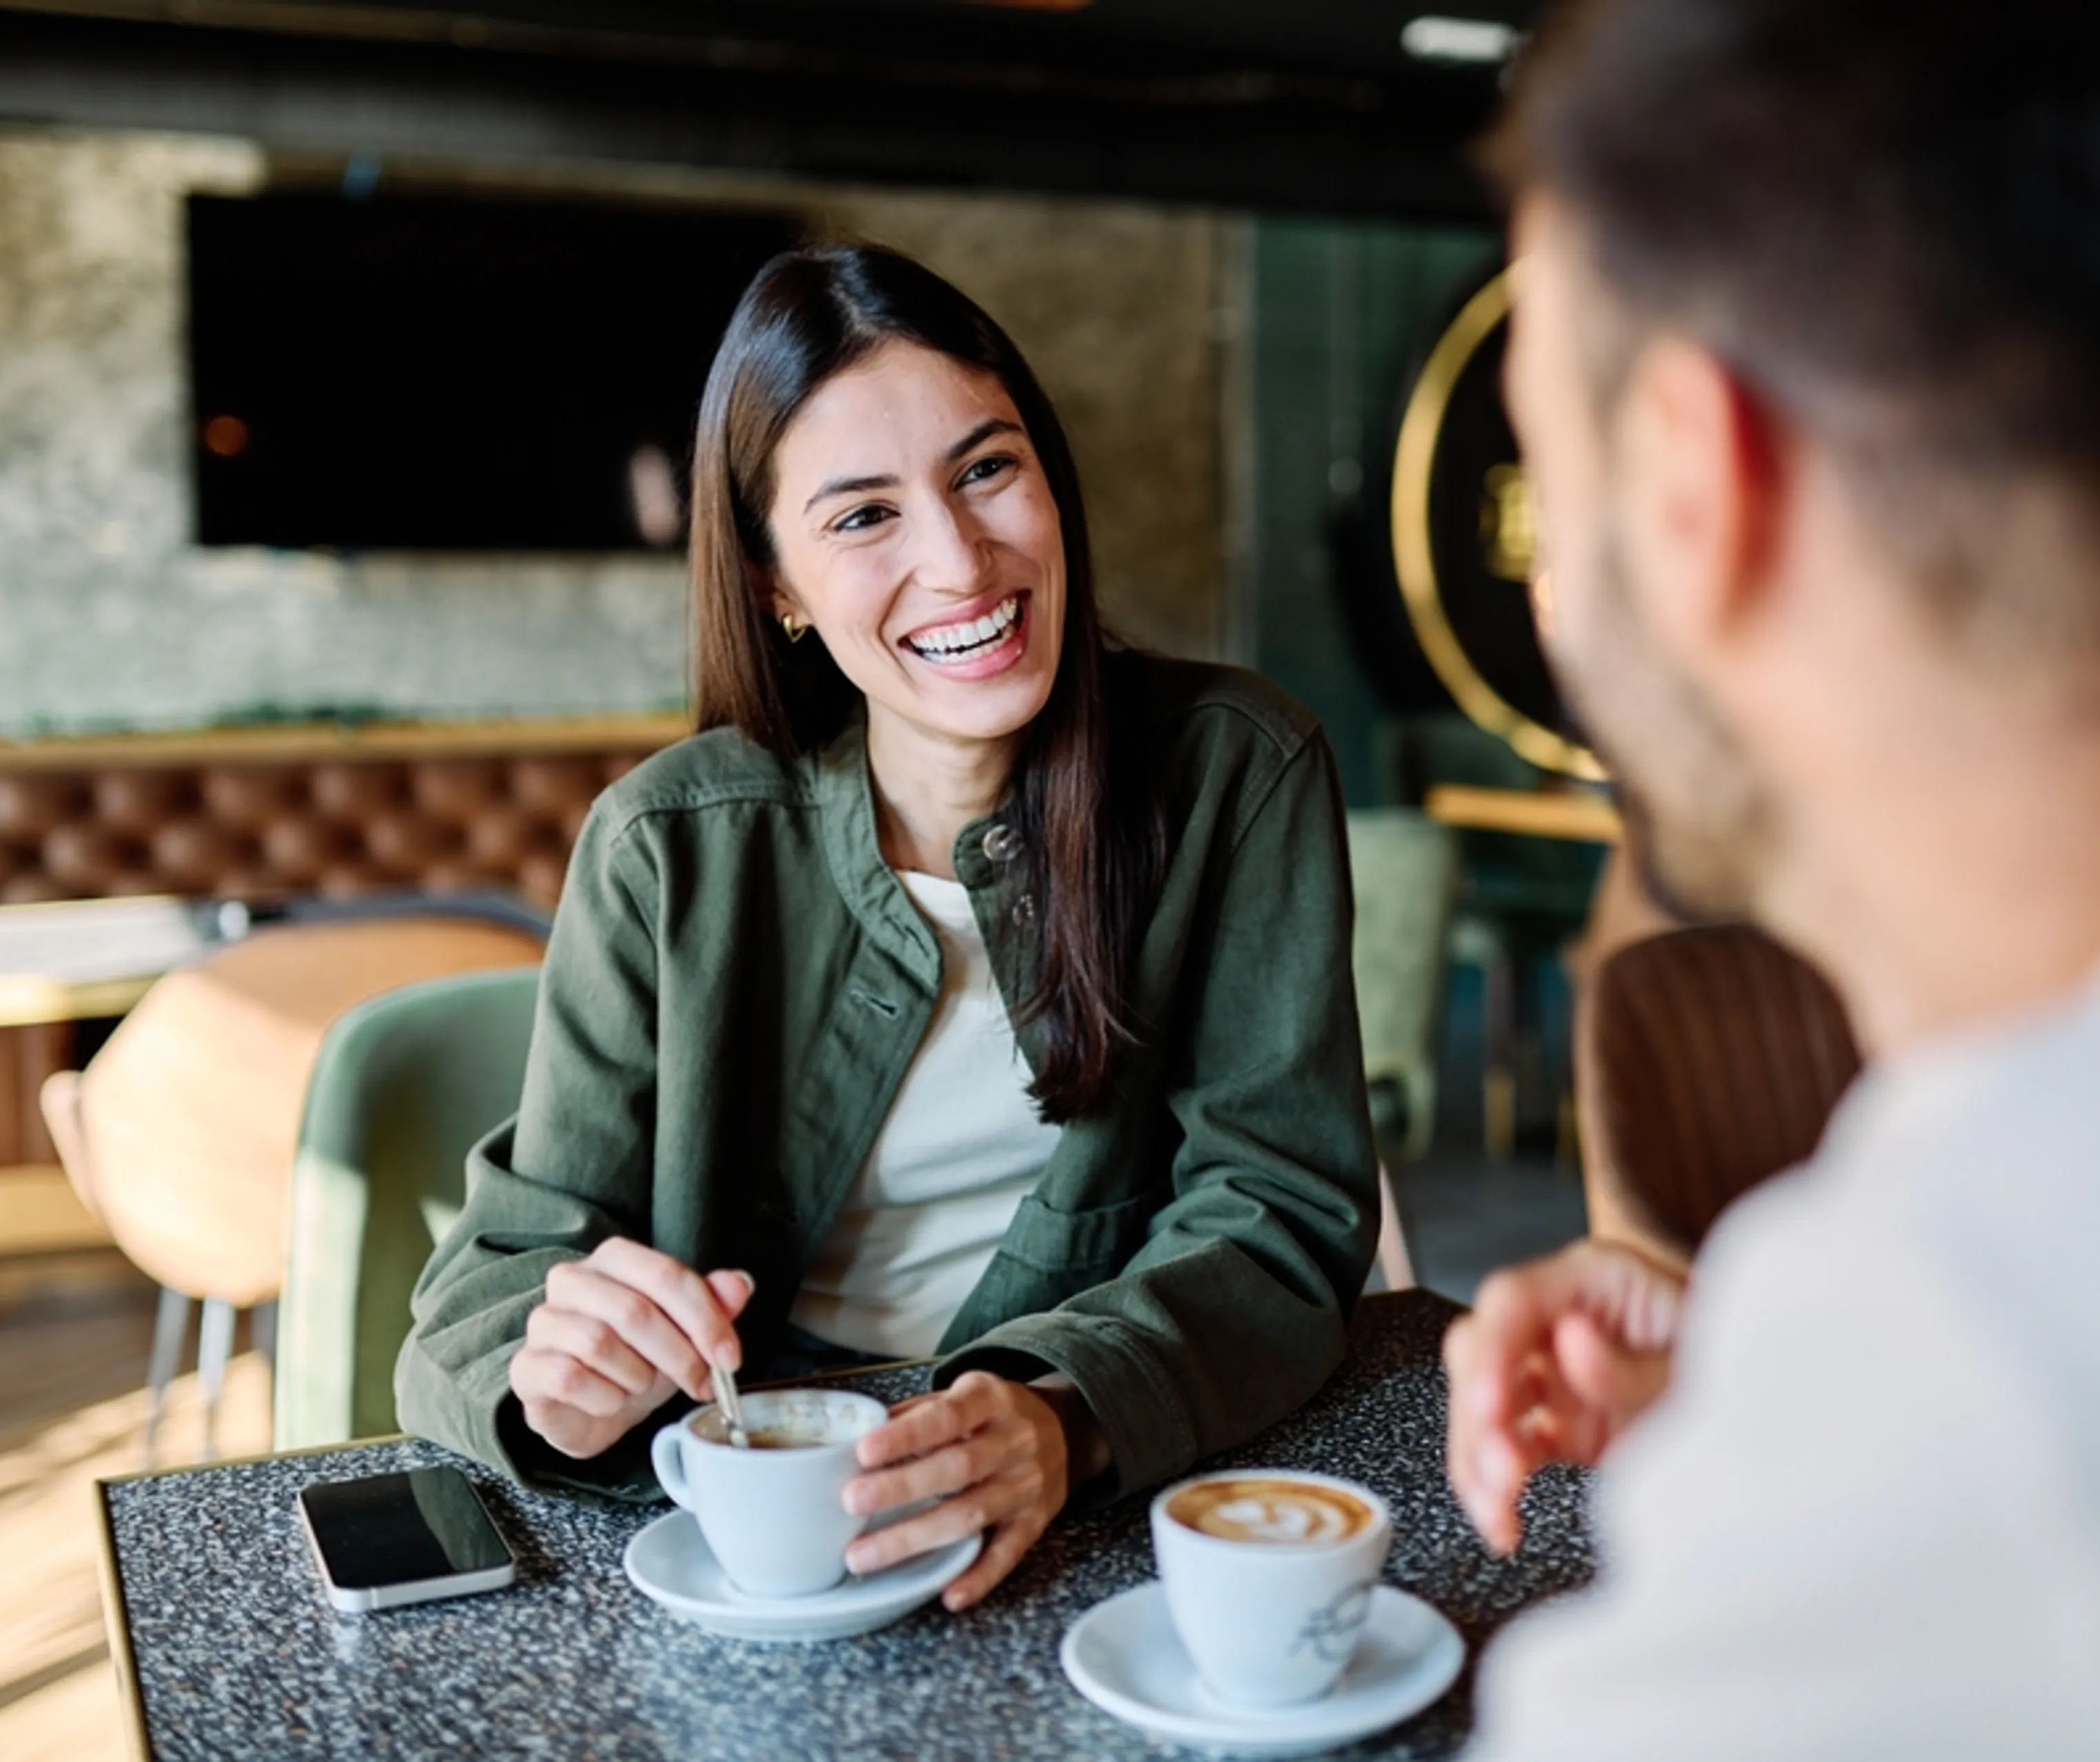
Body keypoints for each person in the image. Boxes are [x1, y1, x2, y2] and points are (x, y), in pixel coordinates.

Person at [1444, 1, 2100, 1754]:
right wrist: (1781, 1393)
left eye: (1553, 454)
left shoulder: (1981, 1362)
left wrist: (1862, 1427)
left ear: (1694, 483)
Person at [398, 244, 1377, 1613]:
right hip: (759, 1516)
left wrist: (1063, 1411)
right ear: (775, 586)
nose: (960, 559)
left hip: (1101, 1499)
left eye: (988, 470)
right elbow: (488, 1289)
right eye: (863, 516)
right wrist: (552, 1377)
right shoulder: (667, 845)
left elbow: (1278, 1208)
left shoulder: (1239, 771)